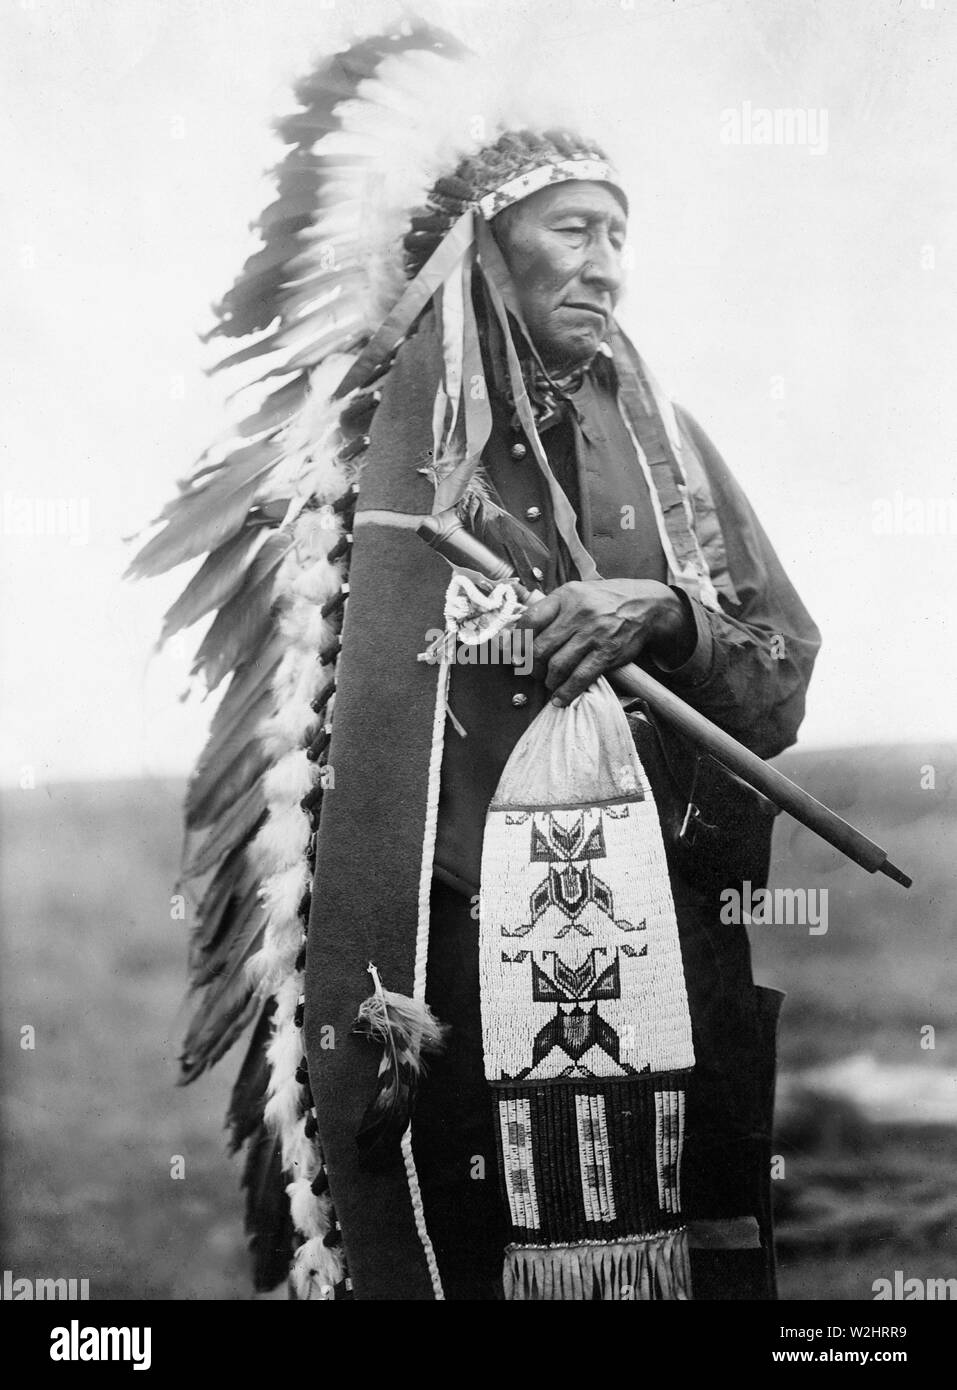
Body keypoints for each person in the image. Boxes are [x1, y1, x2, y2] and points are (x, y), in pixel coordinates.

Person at [301, 128, 821, 1301]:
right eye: (575, 229)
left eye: (620, 235)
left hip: (667, 958)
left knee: (698, 1263)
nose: (607, 265)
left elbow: (780, 677)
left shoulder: (668, 454)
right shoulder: (366, 472)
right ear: (486, 248)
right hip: (443, 977)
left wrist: (670, 615)